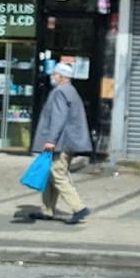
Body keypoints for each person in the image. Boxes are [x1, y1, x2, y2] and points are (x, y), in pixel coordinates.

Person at [29, 62, 93, 224]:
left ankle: (79, 207)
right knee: (50, 174)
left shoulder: (60, 92)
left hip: (61, 142)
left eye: (55, 74)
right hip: (67, 141)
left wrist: (51, 140)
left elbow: (58, 118)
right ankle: (47, 210)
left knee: (57, 174)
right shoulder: (71, 91)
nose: (53, 76)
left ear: (61, 76)